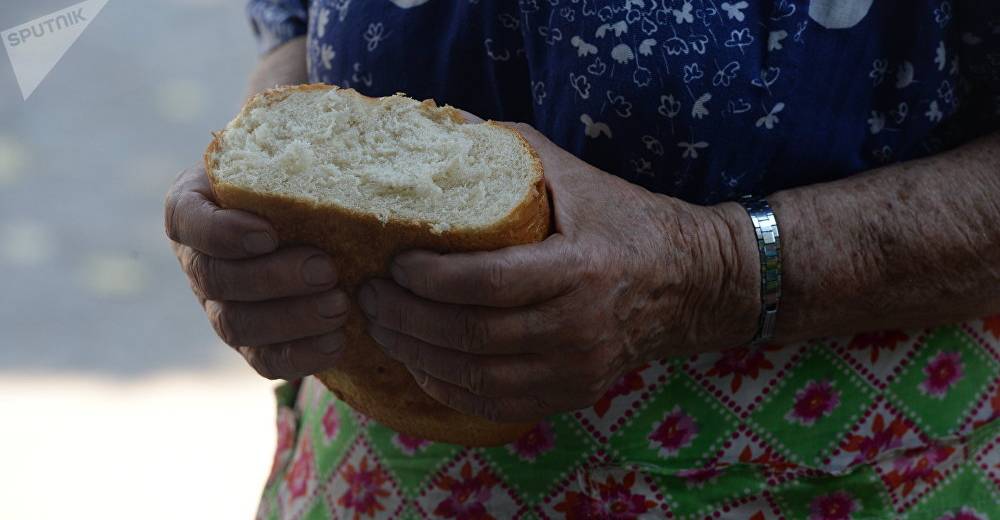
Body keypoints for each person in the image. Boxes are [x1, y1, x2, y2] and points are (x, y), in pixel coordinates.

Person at [165, 1, 1000, 518]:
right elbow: (300, 21)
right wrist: (272, 170)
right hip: (394, 470)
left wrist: (718, 271)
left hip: (838, 468)